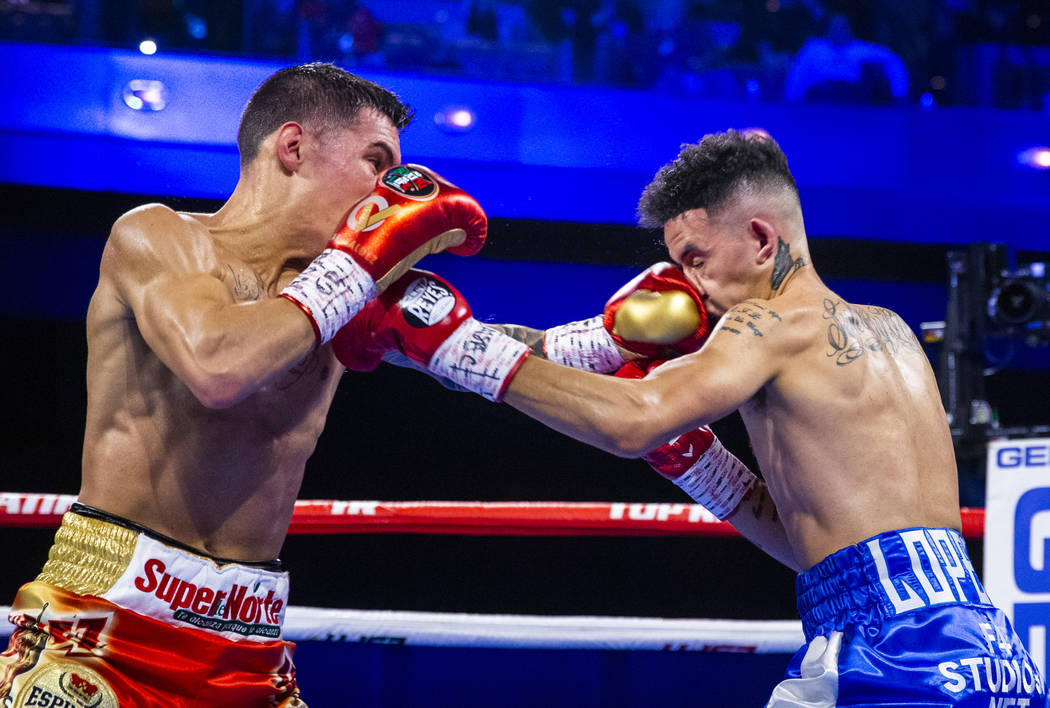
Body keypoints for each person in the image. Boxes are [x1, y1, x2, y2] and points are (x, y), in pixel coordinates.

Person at [334, 129, 1048, 706]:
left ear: (763, 240)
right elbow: (822, 544)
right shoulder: (889, 330)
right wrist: (701, 463)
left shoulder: (768, 327)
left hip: (890, 654)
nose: (691, 287)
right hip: (983, 653)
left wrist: (452, 345)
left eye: (698, 259)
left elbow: (632, 419)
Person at [0, 62, 490, 706]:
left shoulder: (349, 296)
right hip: (105, 631)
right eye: (376, 163)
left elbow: (494, 352)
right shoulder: (160, 237)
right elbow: (218, 366)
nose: (388, 195)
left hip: (249, 648)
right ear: (293, 147)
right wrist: (356, 265)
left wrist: (611, 341)